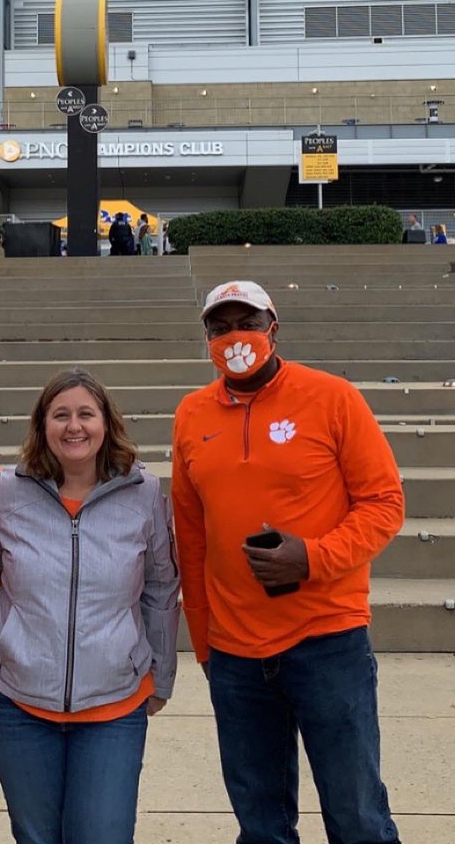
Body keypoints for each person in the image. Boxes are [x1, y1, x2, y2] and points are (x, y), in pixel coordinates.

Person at [172, 280, 405, 844]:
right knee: (261, 823)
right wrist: (205, 642)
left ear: (273, 328)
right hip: (235, 653)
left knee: (357, 816)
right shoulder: (191, 413)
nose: (234, 337)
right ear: (207, 337)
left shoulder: (333, 398)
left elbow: (385, 503)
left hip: (326, 639)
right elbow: (192, 534)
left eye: (246, 322)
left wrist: (313, 559)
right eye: (220, 327)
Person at [0, 368, 179, 844]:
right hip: (16, 701)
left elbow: (160, 587)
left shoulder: (142, 492)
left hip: (113, 703)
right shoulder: (9, 491)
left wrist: (161, 674)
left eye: (86, 414)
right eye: (60, 415)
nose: (74, 426)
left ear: (106, 423)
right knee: (36, 836)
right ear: (42, 425)